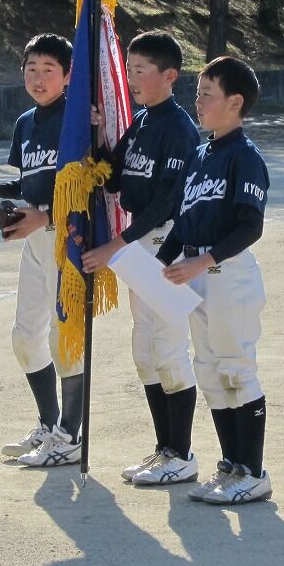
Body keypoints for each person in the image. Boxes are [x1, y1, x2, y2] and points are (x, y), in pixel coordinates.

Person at [81, 31, 201, 486]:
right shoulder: (144, 122)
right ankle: (164, 449)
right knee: (145, 351)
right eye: (127, 69)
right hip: (137, 246)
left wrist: (118, 242)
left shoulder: (177, 128)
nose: (130, 78)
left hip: (165, 244)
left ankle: (182, 453)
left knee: (169, 349)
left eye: (139, 70)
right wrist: (95, 132)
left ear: (169, 76)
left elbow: (167, 203)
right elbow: (115, 177)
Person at [157, 56, 271, 504]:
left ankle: (253, 471)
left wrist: (202, 261)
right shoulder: (202, 155)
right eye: (198, 93)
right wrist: (156, 266)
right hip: (196, 273)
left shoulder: (245, 157)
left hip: (228, 275)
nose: (198, 102)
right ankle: (231, 465)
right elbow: (183, 222)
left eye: (207, 94)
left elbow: (249, 227)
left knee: (236, 368)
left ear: (235, 102)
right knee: (208, 369)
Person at [0, 34, 84, 468]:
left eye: (48, 70)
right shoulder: (25, 124)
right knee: (24, 336)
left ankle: (71, 436)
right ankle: (49, 425)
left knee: (64, 338)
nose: (37, 78)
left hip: (68, 238)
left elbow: (89, 187)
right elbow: (26, 185)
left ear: (69, 75)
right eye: (31, 69)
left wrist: (48, 219)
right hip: (34, 241)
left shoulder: (78, 122)